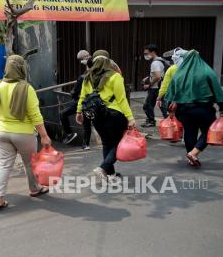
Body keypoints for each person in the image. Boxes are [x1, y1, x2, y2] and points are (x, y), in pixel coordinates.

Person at [0, 55, 51, 214]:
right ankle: (35, 189)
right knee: (30, 163)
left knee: (3, 165)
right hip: (24, 134)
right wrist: (44, 135)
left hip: (2, 133)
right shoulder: (27, 88)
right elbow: (35, 115)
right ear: (22, 68)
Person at [76, 50, 136, 183]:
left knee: (106, 143)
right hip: (114, 115)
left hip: (96, 116)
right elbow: (122, 99)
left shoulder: (87, 77)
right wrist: (130, 117)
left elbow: (83, 97)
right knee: (118, 143)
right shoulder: (115, 76)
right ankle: (103, 168)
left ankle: (110, 174)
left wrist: (79, 112)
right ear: (108, 61)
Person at [165, 50, 223, 167]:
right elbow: (217, 91)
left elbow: (170, 94)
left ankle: (191, 156)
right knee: (209, 131)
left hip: (184, 110)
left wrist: (169, 110)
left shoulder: (179, 74)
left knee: (189, 132)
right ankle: (194, 153)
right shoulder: (207, 71)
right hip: (204, 109)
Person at [60, 50, 92, 149]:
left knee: (63, 113)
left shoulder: (83, 77)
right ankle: (86, 144)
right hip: (93, 100)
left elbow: (76, 91)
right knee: (87, 122)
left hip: (83, 100)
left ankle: (69, 134)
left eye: (81, 60)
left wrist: (73, 94)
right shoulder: (97, 72)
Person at [142, 44, 168, 127]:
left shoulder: (155, 63)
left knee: (147, 105)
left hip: (154, 88)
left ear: (153, 52)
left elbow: (157, 76)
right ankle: (169, 121)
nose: (145, 55)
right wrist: (148, 77)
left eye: (146, 53)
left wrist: (149, 85)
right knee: (161, 106)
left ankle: (151, 121)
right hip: (159, 87)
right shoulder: (160, 60)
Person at [156, 48, 187, 114]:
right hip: (189, 100)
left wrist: (159, 98)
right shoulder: (192, 68)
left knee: (173, 120)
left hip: (174, 98)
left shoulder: (172, 69)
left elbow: (165, 85)